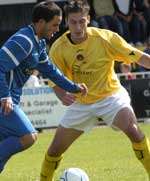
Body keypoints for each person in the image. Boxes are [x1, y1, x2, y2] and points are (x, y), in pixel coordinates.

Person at [40, 1, 150, 181]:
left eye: (81, 21)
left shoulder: (106, 38)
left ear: (89, 19)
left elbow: (139, 57)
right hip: (81, 103)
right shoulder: (58, 47)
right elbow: (53, 78)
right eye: (73, 22)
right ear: (66, 22)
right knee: (54, 150)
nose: (78, 27)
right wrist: (61, 94)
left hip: (110, 97)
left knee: (134, 131)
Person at [0, 0, 87, 173]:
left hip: (9, 102)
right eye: (54, 25)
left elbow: (50, 71)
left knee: (7, 147)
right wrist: (4, 96)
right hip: (4, 101)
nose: (57, 29)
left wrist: (73, 87)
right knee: (28, 136)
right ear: (40, 22)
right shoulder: (23, 40)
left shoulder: (38, 43)